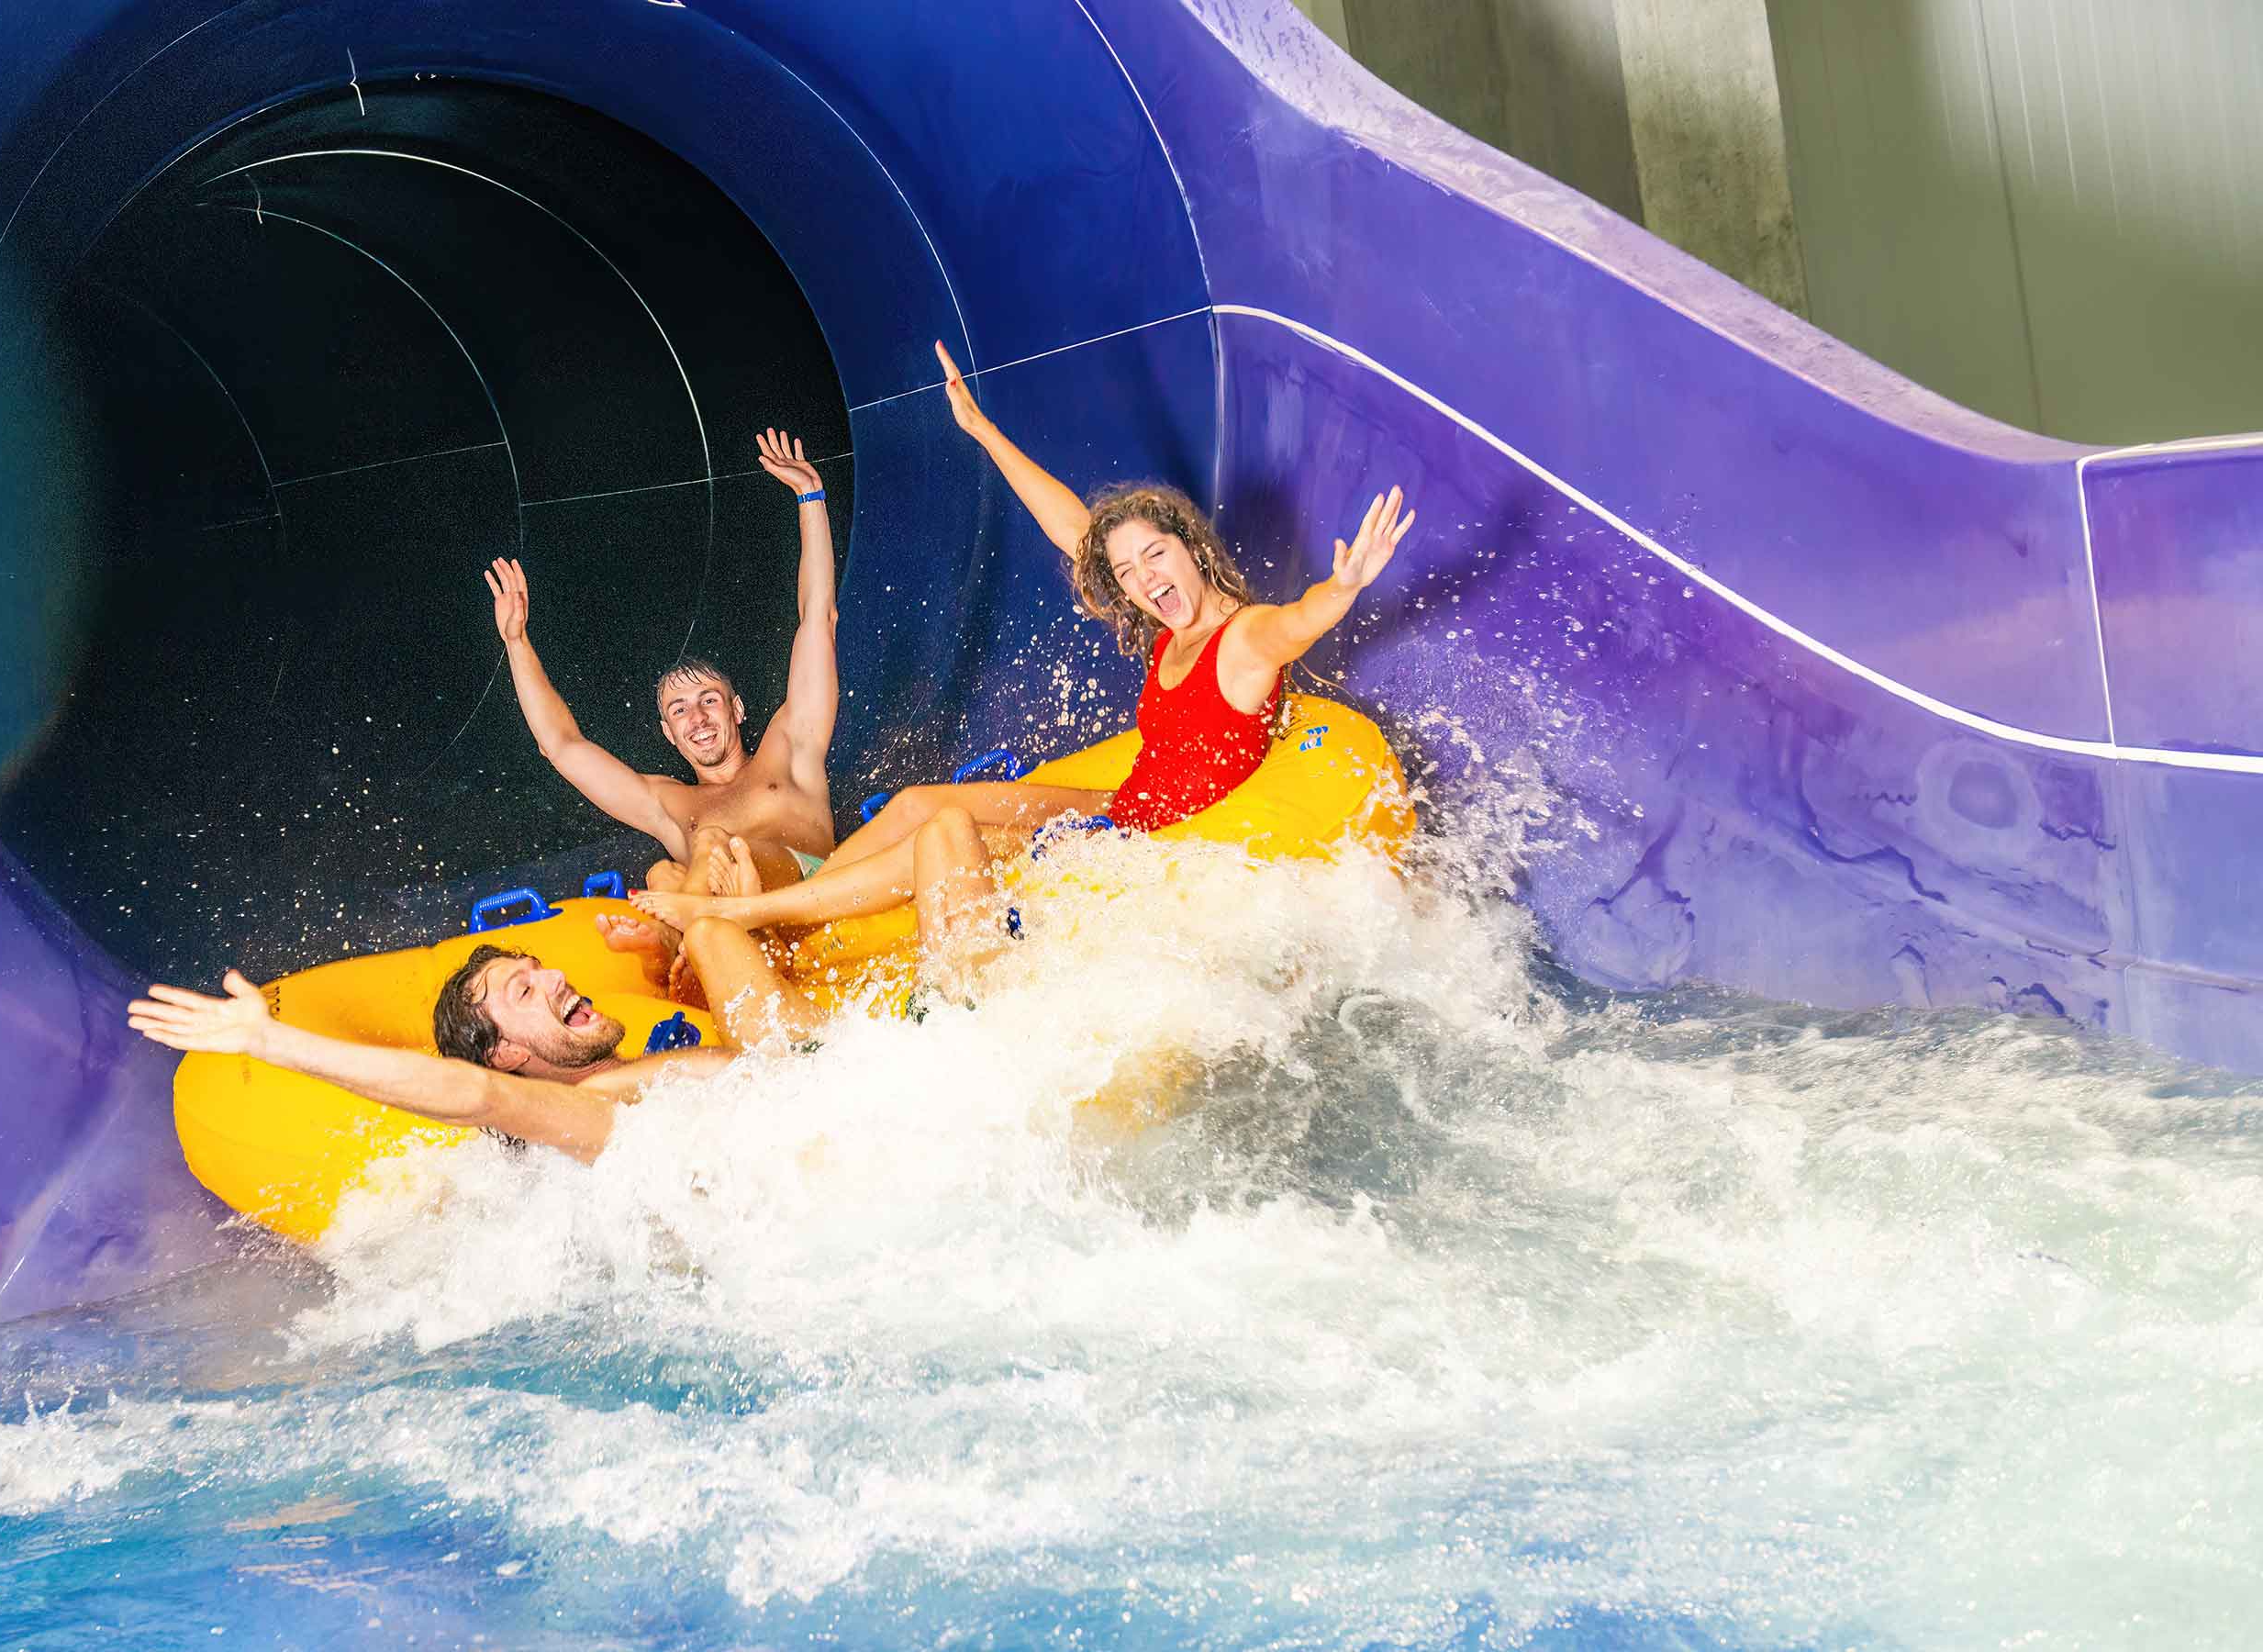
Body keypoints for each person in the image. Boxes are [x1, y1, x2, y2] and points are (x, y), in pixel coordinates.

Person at [630, 342, 1414, 939]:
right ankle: (812, 888)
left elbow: (1293, 624)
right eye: (1128, 571)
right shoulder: (1162, 624)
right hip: (1122, 802)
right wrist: (981, 430)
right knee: (917, 801)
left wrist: (1342, 589)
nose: (1141, 581)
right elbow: (1075, 528)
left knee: (945, 836)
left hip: (1141, 837)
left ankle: (759, 914)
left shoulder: (1237, 640)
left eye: (1156, 557)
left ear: (1191, 548)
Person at [128, 811, 1012, 1162]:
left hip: (891, 1063)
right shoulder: (588, 1115)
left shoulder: (653, 1066)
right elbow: (467, 1092)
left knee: (947, 832)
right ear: (511, 1053)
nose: (551, 973)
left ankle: (736, 915)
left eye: (535, 967)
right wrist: (267, 1040)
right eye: (521, 990)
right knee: (711, 924)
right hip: (893, 1114)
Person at [485, 429, 841, 901]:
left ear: (737, 710)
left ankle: (692, 926)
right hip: (727, 922)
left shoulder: (790, 746)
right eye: (679, 711)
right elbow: (561, 746)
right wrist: (516, 641)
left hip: (812, 894)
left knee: (711, 849)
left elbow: (817, 617)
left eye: (708, 700)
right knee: (662, 875)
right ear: (668, 733)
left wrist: (810, 496)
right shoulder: (668, 803)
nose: (696, 718)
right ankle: (683, 949)